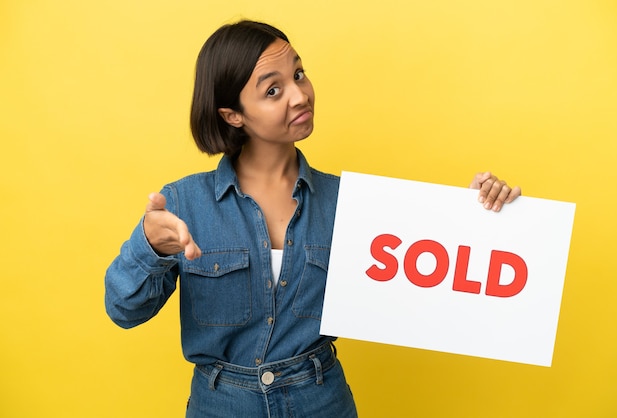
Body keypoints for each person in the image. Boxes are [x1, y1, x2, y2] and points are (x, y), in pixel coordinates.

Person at [104, 20, 521, 418]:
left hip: (321, 401)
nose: (300, 95)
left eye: (299, 74)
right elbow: (123, 310)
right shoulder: (183, 202)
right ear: (233, 115)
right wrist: (150, 247)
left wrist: (478, 219)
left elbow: (431, 277)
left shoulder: (348, 202)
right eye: (273, 90)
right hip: (221, 405)